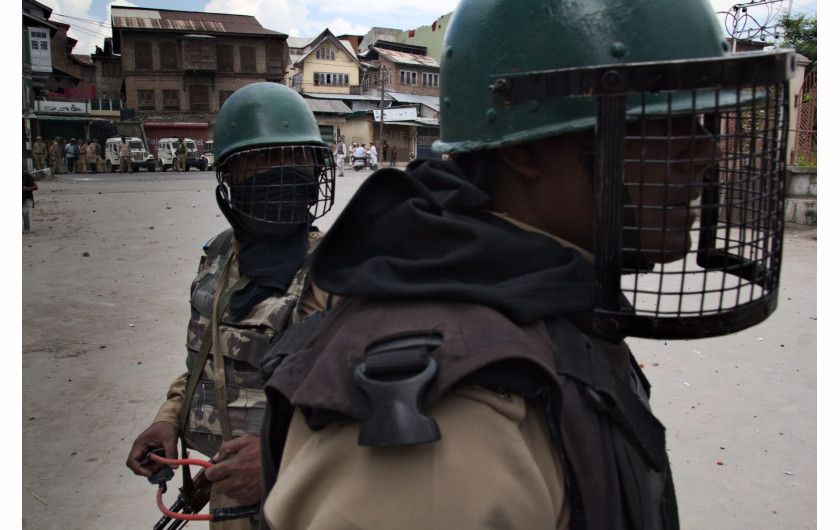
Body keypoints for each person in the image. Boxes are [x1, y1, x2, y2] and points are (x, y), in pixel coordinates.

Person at [258, 1, 792, 528]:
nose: (705, 153)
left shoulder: (539, 294)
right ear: (525, 151)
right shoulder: (456, 414)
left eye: (699, 118)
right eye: (660, 118)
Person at [125, 82, 336, 530]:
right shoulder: (220, 255)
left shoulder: (340, 272)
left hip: (308, 501)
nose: (281, 173)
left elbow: (369, 406)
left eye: (296, 158)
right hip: (229, 496)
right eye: (259, 159)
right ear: (229, 178)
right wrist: (169, 421)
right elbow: (212, 359)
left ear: (317, 169)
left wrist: (278, 454)